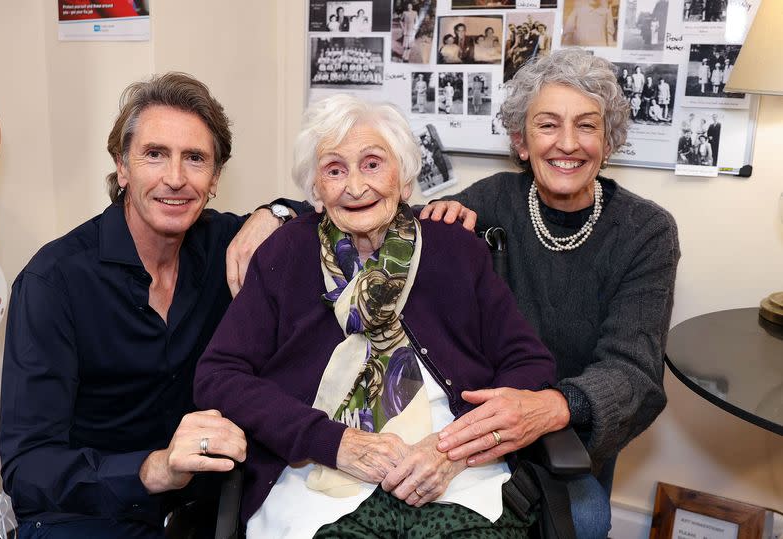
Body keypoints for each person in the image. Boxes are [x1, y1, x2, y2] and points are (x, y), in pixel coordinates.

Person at [194, 94, 557, 538]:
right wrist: (333, 442)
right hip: (318, 469)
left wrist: (456, 447)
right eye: (334, 169)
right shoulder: (286, 252)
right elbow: (218, 374)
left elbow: (529, 364)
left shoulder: (455, 249)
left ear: (404, 179)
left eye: (372, 163)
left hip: (452, 467)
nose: (355, 186)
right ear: (315, 192)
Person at [0, 72, 301, 538]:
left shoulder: (227, 245)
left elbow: (336, 212)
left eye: (195, 159)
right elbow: (28, 468)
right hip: (87, 514)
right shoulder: (53, 281)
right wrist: (154, 468)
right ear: (122, 167)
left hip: (204, 507)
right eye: (155, 154)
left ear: (216, 177)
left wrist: (277, 212)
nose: (175, 178)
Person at [421, 48, 680, 538]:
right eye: (548, 125)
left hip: (573, 433)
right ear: (521, 141)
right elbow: (371, 215)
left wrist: (549, 408)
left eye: (587, 125)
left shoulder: (646, 231)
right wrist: (277, 213)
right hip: (479, 422)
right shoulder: (488, 200)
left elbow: (633, 371)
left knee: (584, 518)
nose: (568, 144)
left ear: (608, 141)